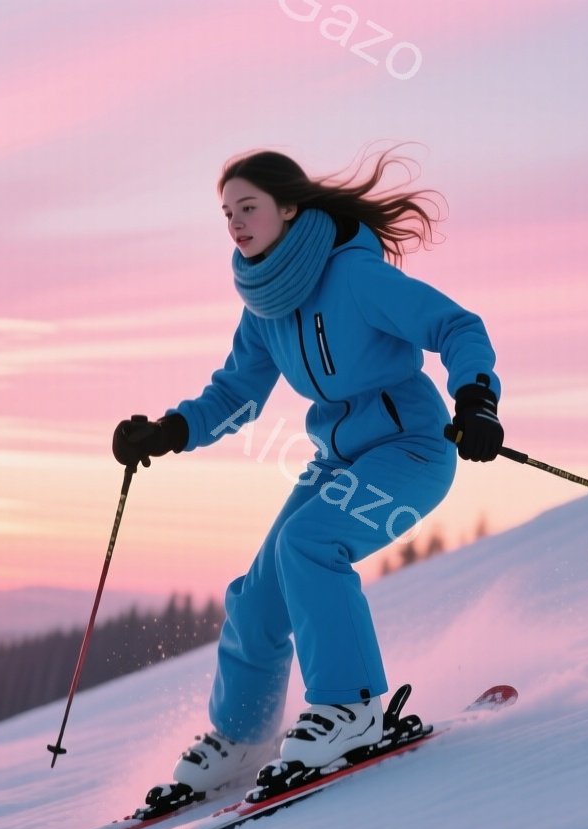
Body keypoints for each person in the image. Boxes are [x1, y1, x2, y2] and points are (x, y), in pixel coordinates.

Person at [111, 146, 505, 792]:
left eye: (249, 208)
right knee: (257, 596)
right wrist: (168, 431)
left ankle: (351, 707)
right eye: (227, 214)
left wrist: (477, 398)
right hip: (340, 460)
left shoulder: (354, 278)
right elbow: (235, 393)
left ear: (289, 208)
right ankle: (242, 736)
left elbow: (455, 325)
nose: (236, 224)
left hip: (412, 451)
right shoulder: (266, 303)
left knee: (309, 544)